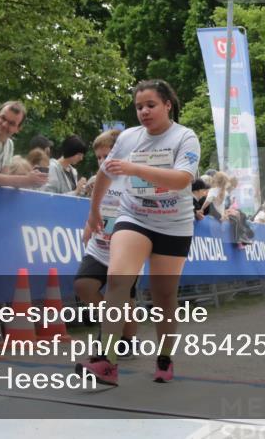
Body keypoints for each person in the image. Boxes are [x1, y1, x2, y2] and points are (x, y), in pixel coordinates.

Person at [76, 79, 200, 386]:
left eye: (150, 105)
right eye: (138, 107)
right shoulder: (129, 138)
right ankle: (106, 360)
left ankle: (164, 357)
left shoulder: (185, 137)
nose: (143, 112)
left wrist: (135, 170)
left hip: (174, 224)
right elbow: (105, 174)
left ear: (168, 105)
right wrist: (93, 214)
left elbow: (182, 180)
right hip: (134, 216)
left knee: (164, 296)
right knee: (119, 279)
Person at [73, 130, 139, 358]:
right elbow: (96, 205)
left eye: (107, 155)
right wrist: (89, 223)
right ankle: (114, 324)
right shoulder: (97, 179)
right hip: (99, 246)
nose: (103, 161)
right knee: (83, 285)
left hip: (126, 250)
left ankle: (127, 341)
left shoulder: (134, 178)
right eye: (99, 157)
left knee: (124, 299)